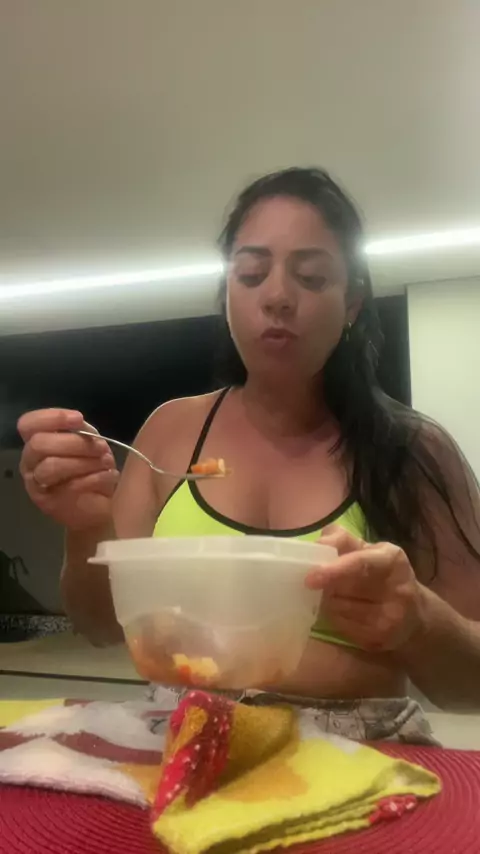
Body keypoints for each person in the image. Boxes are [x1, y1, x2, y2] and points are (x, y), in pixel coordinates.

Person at [18, 168, 480, 742]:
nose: (278, 296)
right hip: (181, 741)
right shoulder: (169, 433)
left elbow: (473, 687)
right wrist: (85, 527)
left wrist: (418, 620)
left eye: (311, 277)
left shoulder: (413, 452)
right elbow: (100, 627)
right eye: (252, 273)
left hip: (357, 753)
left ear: (353, 302)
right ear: (228, 294)